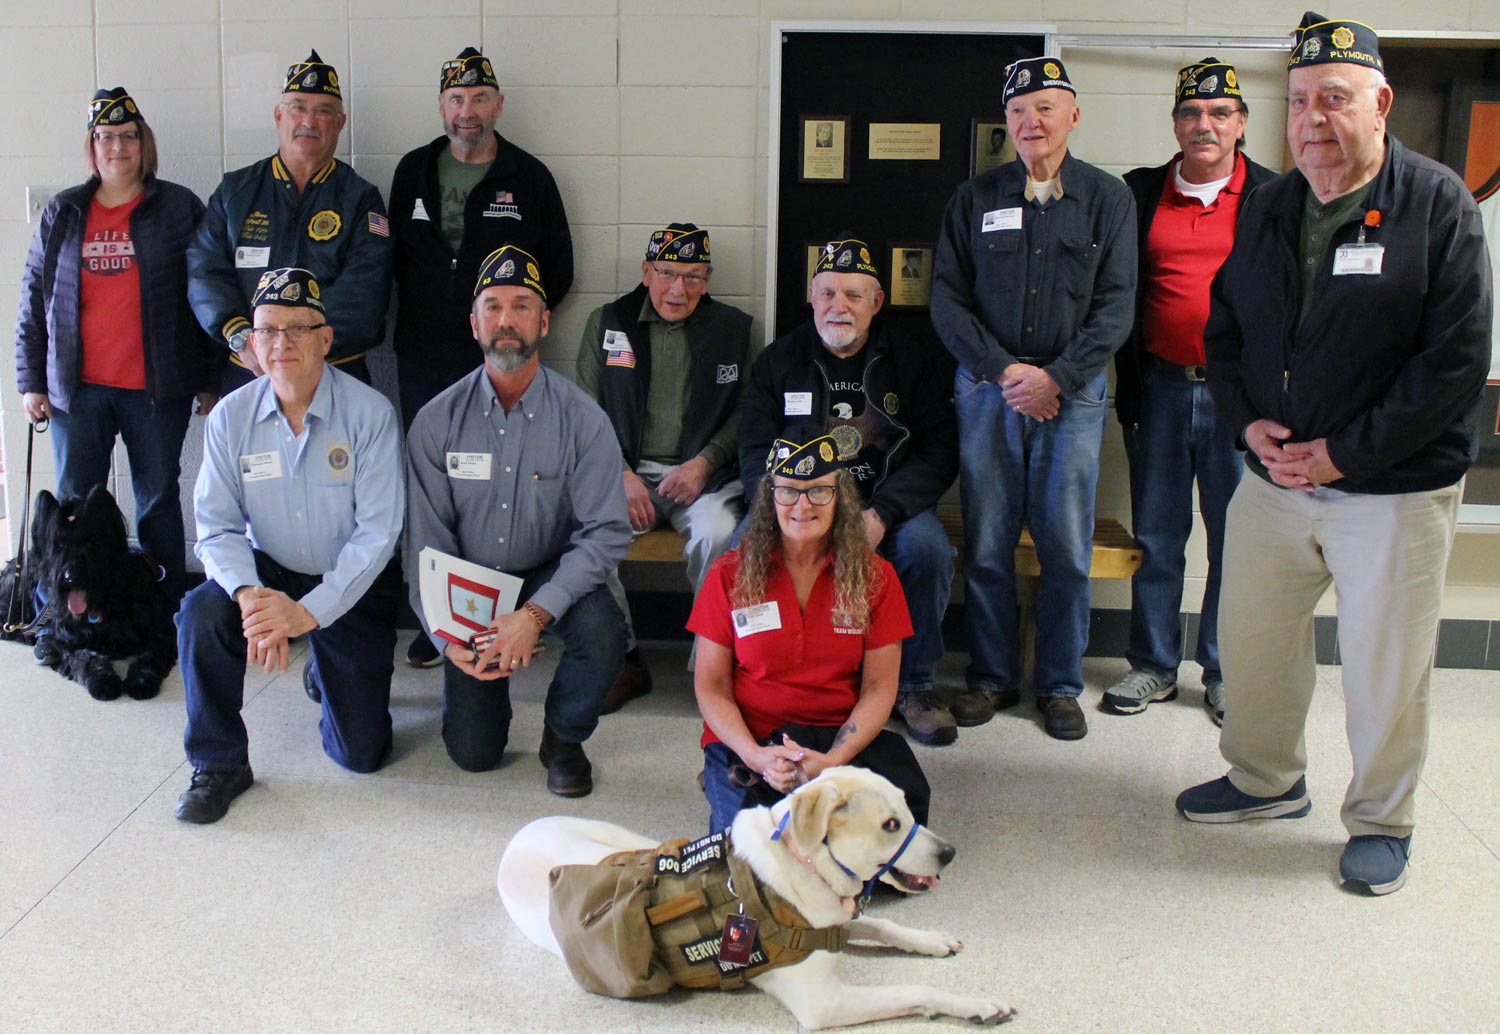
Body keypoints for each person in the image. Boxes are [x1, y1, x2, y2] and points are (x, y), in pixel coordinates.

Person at [1177, 13, 1493, 896]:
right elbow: (1227, 328)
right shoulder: (1271, 205)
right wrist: (1248, 426)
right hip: (1274, 478)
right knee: (1253, 638)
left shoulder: (1439, 206)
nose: (1316, 118)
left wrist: (1341, 455)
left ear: (1381, 102)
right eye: (1303, 101)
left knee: (1386, 662)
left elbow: (1455, 365)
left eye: (1338, 100)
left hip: (1390, 487)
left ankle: (1383, 820)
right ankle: (1264, 780)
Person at [931, 57, 1136, 742]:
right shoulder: (975, 198)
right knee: (988, 544)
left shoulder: (1108, 200)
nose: (1031, 122)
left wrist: (1056, 379)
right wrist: (1007, 373)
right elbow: (948, 301)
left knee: (1066, 549)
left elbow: (1115, 309)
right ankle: (990, 678)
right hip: (989, 396)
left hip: (1072, 400)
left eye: (1045, 108)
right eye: (1018, 112)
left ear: (1073, 116)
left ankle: (1058, 685)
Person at [174, 268, 405, 825]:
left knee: (360, 755)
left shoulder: (369, 414)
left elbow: (378, 534)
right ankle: (218, 761)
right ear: (251, 342)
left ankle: (324, 669)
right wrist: (254, 600)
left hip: (347, 585)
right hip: (269, 572)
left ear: (326, 338)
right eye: (268, 330)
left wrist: (305, 615)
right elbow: (216, 527)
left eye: (299, 328)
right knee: (201, 612)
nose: (282, 344)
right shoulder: (230, 417)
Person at [405, 246, 630, 798]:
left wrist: (534, 614)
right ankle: (480, 708)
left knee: (604, 629)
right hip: (470, 584)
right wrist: (445, 634)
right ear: (475, 321)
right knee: (473, 756)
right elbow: (426, 546)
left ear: (544, 321)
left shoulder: (584, 420)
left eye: (522, 305)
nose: (507, 320)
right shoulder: (436, 422)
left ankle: (564, 738)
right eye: (494, 306)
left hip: (548, 573)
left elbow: (605, 533)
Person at [1103, 59, 1275, 725]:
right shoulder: (1139, 192)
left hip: (1242, 402)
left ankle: (1224, 670)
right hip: (1162, 390)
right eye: (1191, 114)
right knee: (1158, 532)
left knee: (1238, 539)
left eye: (1220, 114)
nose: (1205, 125)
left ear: (1241, 124)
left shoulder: (1271, 195)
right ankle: (1152, 666)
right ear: (1175, 123)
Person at [741, 239, 958, 746]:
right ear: (811, 298)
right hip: (796, 505)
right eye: (829, 293)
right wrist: (782, 508)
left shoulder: (912, 359)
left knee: (926, 551)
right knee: (742, 550)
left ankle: (915, 686)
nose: (840, 306)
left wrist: (883, 513)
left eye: (854, 295)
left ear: (877, 302)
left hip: (886, 505)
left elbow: (941, 451)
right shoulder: (780, 361)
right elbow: (753, 449)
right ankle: (757, 682)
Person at [15, 88, 214, 613]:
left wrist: (212, 377)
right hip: (76, 393)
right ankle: (61, 611)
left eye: (127, 137)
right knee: (74, 506)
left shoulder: (177, 207)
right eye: (105, 137)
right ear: (92, 146)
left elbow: (207, 292)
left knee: (157, 503)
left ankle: (166, 605)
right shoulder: (64, 212)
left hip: (157, 391)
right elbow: (33, 298)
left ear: (143, 144)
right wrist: (31, 380)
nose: (117, 147)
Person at [689, 433, 929, 834]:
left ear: (840, 498)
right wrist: (754, 757)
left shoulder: (876, 576)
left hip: (836, 738)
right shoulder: (728, 573)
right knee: (755, 851)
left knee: (889, 837)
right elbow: (711, 685)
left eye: (819, 491)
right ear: (771, 499)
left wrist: (833, 761)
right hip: (750, 738)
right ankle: (721, 781)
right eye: (788, 492)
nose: (803, 505)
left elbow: (879, 689)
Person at [575, 223, 752, 712]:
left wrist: (704, 462)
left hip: (704, 477)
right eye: (668, 273)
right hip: (626, 473)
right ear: (646, 271)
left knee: (719, 534)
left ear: (708, 279)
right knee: (591, 536)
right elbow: (585, 410)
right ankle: (623, 659)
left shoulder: (733, 329)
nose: (679, 289)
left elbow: (746, 410)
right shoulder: (608, 322)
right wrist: (620, 474)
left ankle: (710, 670)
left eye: (694, 277)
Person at [388, 46, 574, 433]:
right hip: (423, 356)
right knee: (428, 458)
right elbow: (394, 256)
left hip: (501, 355)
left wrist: (514, 322)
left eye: (479, 99)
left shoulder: (529, 177)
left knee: (499, 462)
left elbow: (558, 267)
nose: (467, 113)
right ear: (442, 106)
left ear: (498, 105)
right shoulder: (413, 171)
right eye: (456, 99)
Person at [187, 50, 392, 393]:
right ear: (279, 115)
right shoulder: (235, 192)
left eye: (323, 111)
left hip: (335, 376)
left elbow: (366, 291)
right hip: (249, 375)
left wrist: (296, 347)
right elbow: (204, 271)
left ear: (340, 123)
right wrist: (241, 335)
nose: (308, 121)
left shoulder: (360, 199)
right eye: (298, 107)